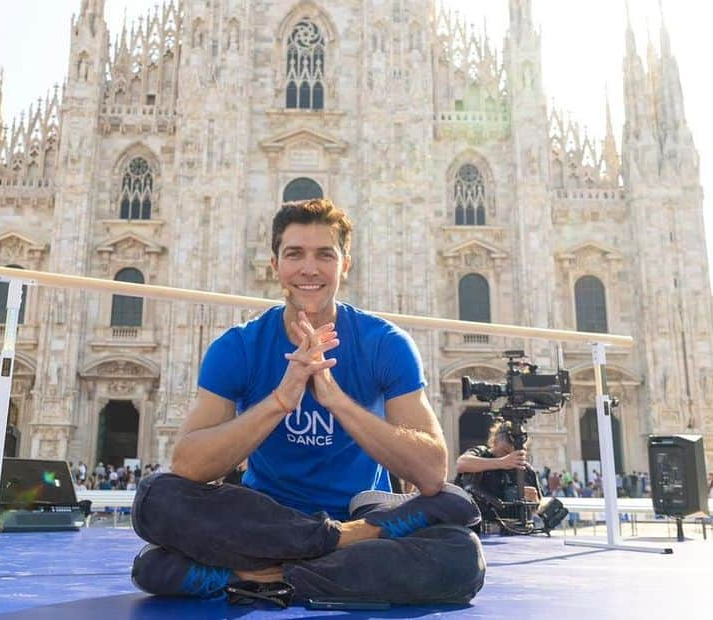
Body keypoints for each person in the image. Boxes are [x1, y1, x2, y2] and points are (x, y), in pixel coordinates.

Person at [130, 199, 485, 607]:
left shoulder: (385, 344)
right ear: (275, 265)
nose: (309, 269)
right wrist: (281, 399)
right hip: (273, 520)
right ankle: (332, 550)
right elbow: (189, 466)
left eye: (325, 255)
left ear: (345, 265)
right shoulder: (239, 348)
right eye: (295, 254)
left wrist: (336, 400)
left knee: (462, 556)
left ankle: (256, 577)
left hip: (356, 512)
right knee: (154, 497)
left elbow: (431, 472)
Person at [453, 419, 566, 534]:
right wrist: (502, 462)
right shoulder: (481, 454)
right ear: (494, 442)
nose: (510, 457)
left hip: (516, 534)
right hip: (478, 531)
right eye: (505, 451)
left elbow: (537, 508)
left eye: (515, 453)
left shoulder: (526, 470)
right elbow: (462, 464)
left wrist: (534, 503)